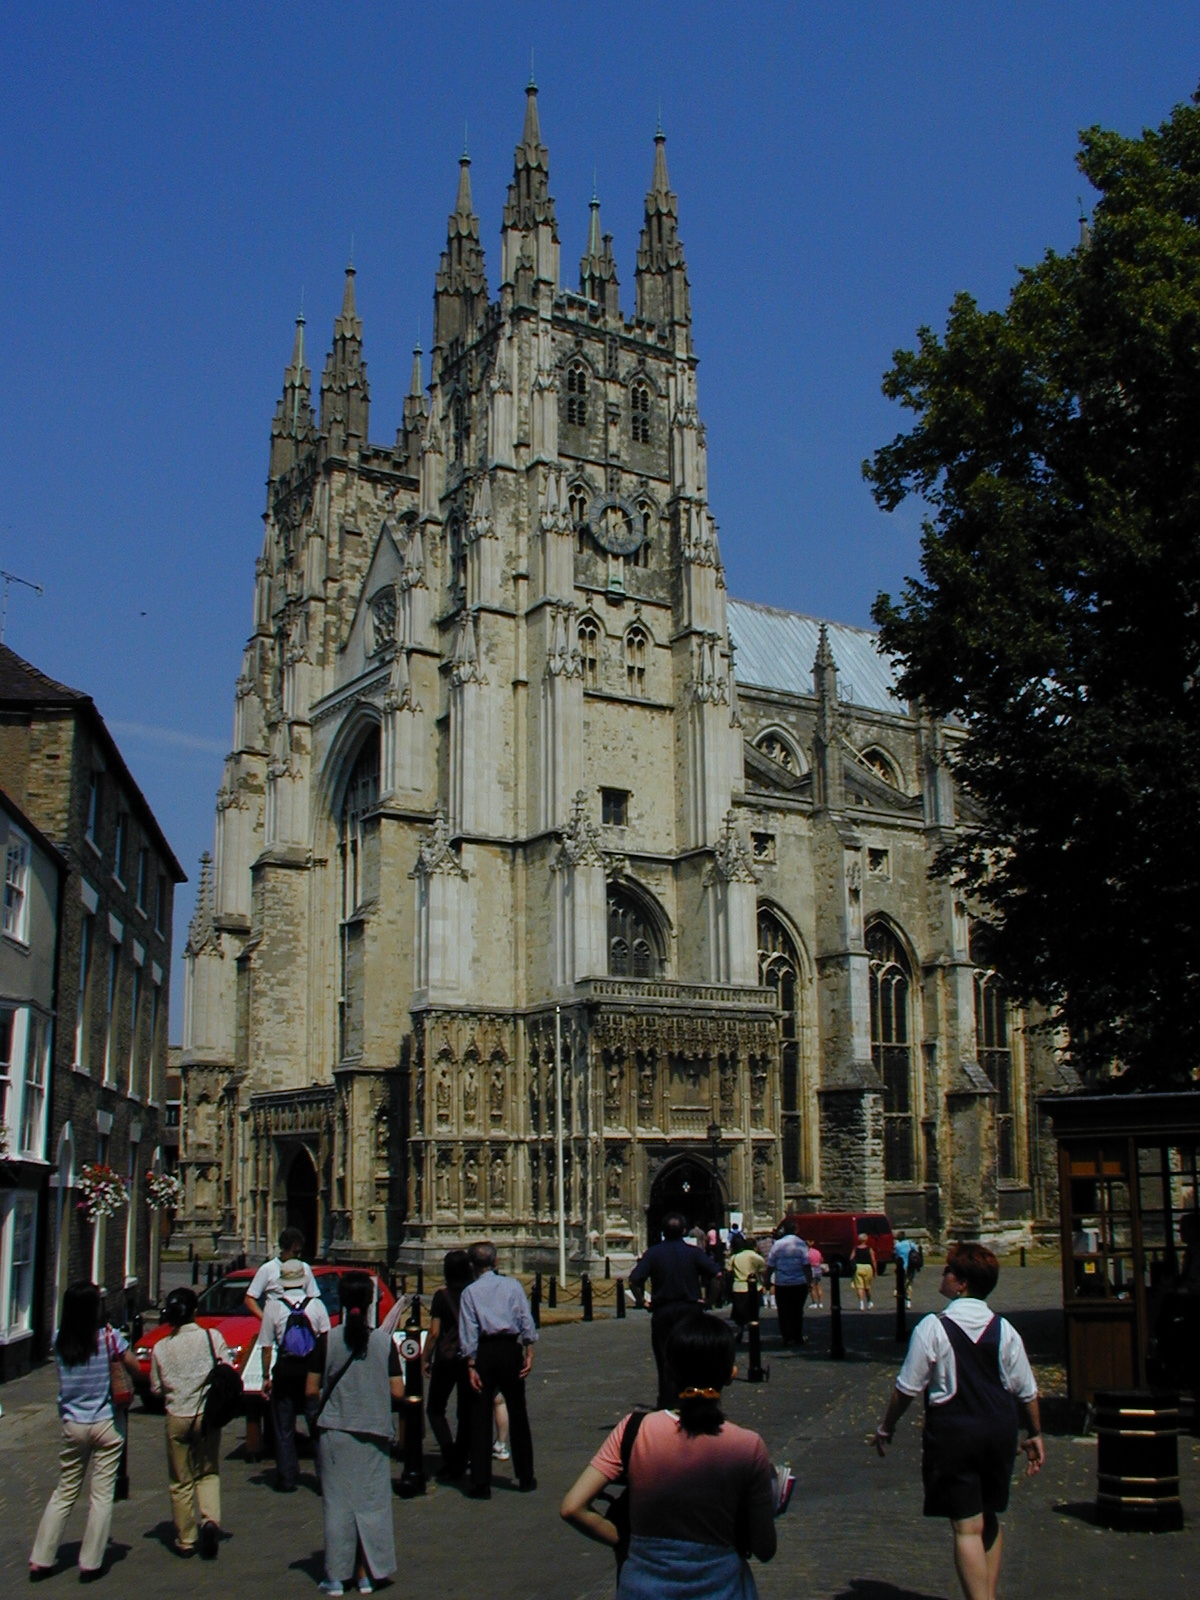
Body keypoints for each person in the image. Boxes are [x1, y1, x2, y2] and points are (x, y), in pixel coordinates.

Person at [561, 1309, 778, 1598]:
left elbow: (572, 1507)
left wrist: (626, 1542)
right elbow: (765, 1548)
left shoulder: (634, 1429)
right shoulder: (748, 1447)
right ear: (730, 1374)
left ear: (670, 1371)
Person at [874, 1242, 1044, 1600]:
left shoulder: (933, 1327)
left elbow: (906, 1388)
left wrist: (887, 1426)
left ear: (962, 1283)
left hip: (955, 1433)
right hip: (1000, 1431)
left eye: (948, 1270)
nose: (943, 1274)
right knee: (989, 1515)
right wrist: (1036, 1433)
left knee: (967, 1527)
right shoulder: (1005, 1329)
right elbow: (1027, 1391)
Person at [30, 1281, 141, 1580]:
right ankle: (91, 1562)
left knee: (64, 1491)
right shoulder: (109, 1337)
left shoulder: (58, 1340)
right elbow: (134, 1366)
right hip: (105, 1422)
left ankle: (41, 1558)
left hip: (73, 1424)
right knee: (101, 1496)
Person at [307, 1271, 403, 1596]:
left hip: (335, 1432)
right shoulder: (383, 1343)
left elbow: (310, 1388)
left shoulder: (328, 1340)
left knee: (338, 1506)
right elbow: (398, 1391)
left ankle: (336, 1576)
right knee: (372, 1504)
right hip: (373, 1431)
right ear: (370, 1302)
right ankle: (367, 1572)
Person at [150, 1287, 235, 1559]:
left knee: (180, 1480)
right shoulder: (212, 1337)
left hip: (177, 1416)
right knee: (208, 1472)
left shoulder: (161, 1347)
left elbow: (155, 1388)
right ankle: (210, 1520)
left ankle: (186, 1538)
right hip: (205, 1415)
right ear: (195, 1311)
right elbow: (226, 1367)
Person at [458, 1240, 538, 1497]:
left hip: (484, 1351)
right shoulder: (512, 1286)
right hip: (510, 1349)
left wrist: (470, 1363)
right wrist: (529, 1349)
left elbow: (468, 1330)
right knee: (518, 1412)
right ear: (495, 1262)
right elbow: (525, 1318)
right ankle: (525, 1476)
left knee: (480, 1416)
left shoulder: (469, 1293)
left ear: (472, 1266)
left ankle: (481, 1481)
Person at [629, 1213, 719, 1408]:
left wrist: (642, 1301)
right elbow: (716, 1275)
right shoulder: (693, 1253)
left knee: (665, 1358)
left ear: (663, 1231)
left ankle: (667, 1401)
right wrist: (709, 1301)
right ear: (684, 1231)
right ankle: (693, 1398)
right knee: (693, 1356)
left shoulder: (653, 1253)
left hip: (664, 1312)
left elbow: (634, 1280)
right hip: (690, 1311)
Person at [259, 1256, 332, 1491]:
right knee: (316, 1424)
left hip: (286, 1370)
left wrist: (265, 1376)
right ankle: (324, 1478)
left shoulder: (273, 1307)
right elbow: (326, 1339)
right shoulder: (317, 1305)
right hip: (312, 1370)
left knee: (284, 1426)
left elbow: (266, 1346)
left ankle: (287, 1477)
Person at [423, 1249, 474, 1479]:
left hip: (446, 1359)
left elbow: (434, 1332)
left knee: (435, 1409)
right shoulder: (473, 1293)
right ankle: (462, 1456)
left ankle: (450, 1453)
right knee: (465, 1410)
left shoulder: (441, 1296)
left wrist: (425, 1358)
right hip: (468, 1356)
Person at [243, 1227, 319, 1320]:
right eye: (295, 1252)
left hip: (299, 1322)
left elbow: (313, 1297)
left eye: (300, 1252)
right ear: (284, 1249)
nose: (298, 1256)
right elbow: (249, 1298)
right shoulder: (267, 1269)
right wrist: (266, 1320)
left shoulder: (305, 1268)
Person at [765, 1220, 811, 1344]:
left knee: (783, 1311)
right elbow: (806, 1264)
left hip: (782, 1283)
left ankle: (787, 1336)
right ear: (796, 1230)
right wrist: (809, 1281)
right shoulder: (801, 1244)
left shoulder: (777, 1244)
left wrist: (767, 1280)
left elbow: (770, 1264)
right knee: (797, 1310)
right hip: (799, 1282)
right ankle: (797, 1336)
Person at [726, 1236, 767, 1345]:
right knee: (753, 1313)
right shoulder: (757, 1257)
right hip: (754, 1288)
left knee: (739, 1313)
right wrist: (765, 1283)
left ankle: (740, 1331)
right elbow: (763, 1272)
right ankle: (752, 1334)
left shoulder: (735, 1257)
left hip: (739, 1287)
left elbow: (729, 1271)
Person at [852, 1232, 877, 1310]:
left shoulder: (855, 1249)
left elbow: (851, 1258)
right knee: (867, 1287)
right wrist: (875, 1270)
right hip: (867, 1267)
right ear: (866, 1240)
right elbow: (873, 1260)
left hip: (858, 1267)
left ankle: (861, 1303)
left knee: (860, 1287)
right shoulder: (869, 1249)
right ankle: (869, 1302)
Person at [894, 1232, 920, 1308]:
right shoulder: (910, 1244)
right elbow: (917, 1252)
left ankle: (898, 1291)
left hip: (901, 1266)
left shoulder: (897, 1246)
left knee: (901, 1281)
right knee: (909, 1283)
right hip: (911, 1266)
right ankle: (908, 1301)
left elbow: (896, 1256)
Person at [807, 1242, 825, 1309]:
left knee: (812, 1288)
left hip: (811, 1269)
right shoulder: (817, 1251)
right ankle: (820, 1303)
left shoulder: (807, 1253)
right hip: (818, 1269)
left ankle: (814, 1303)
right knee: (818, 1286)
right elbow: (822, 1259)